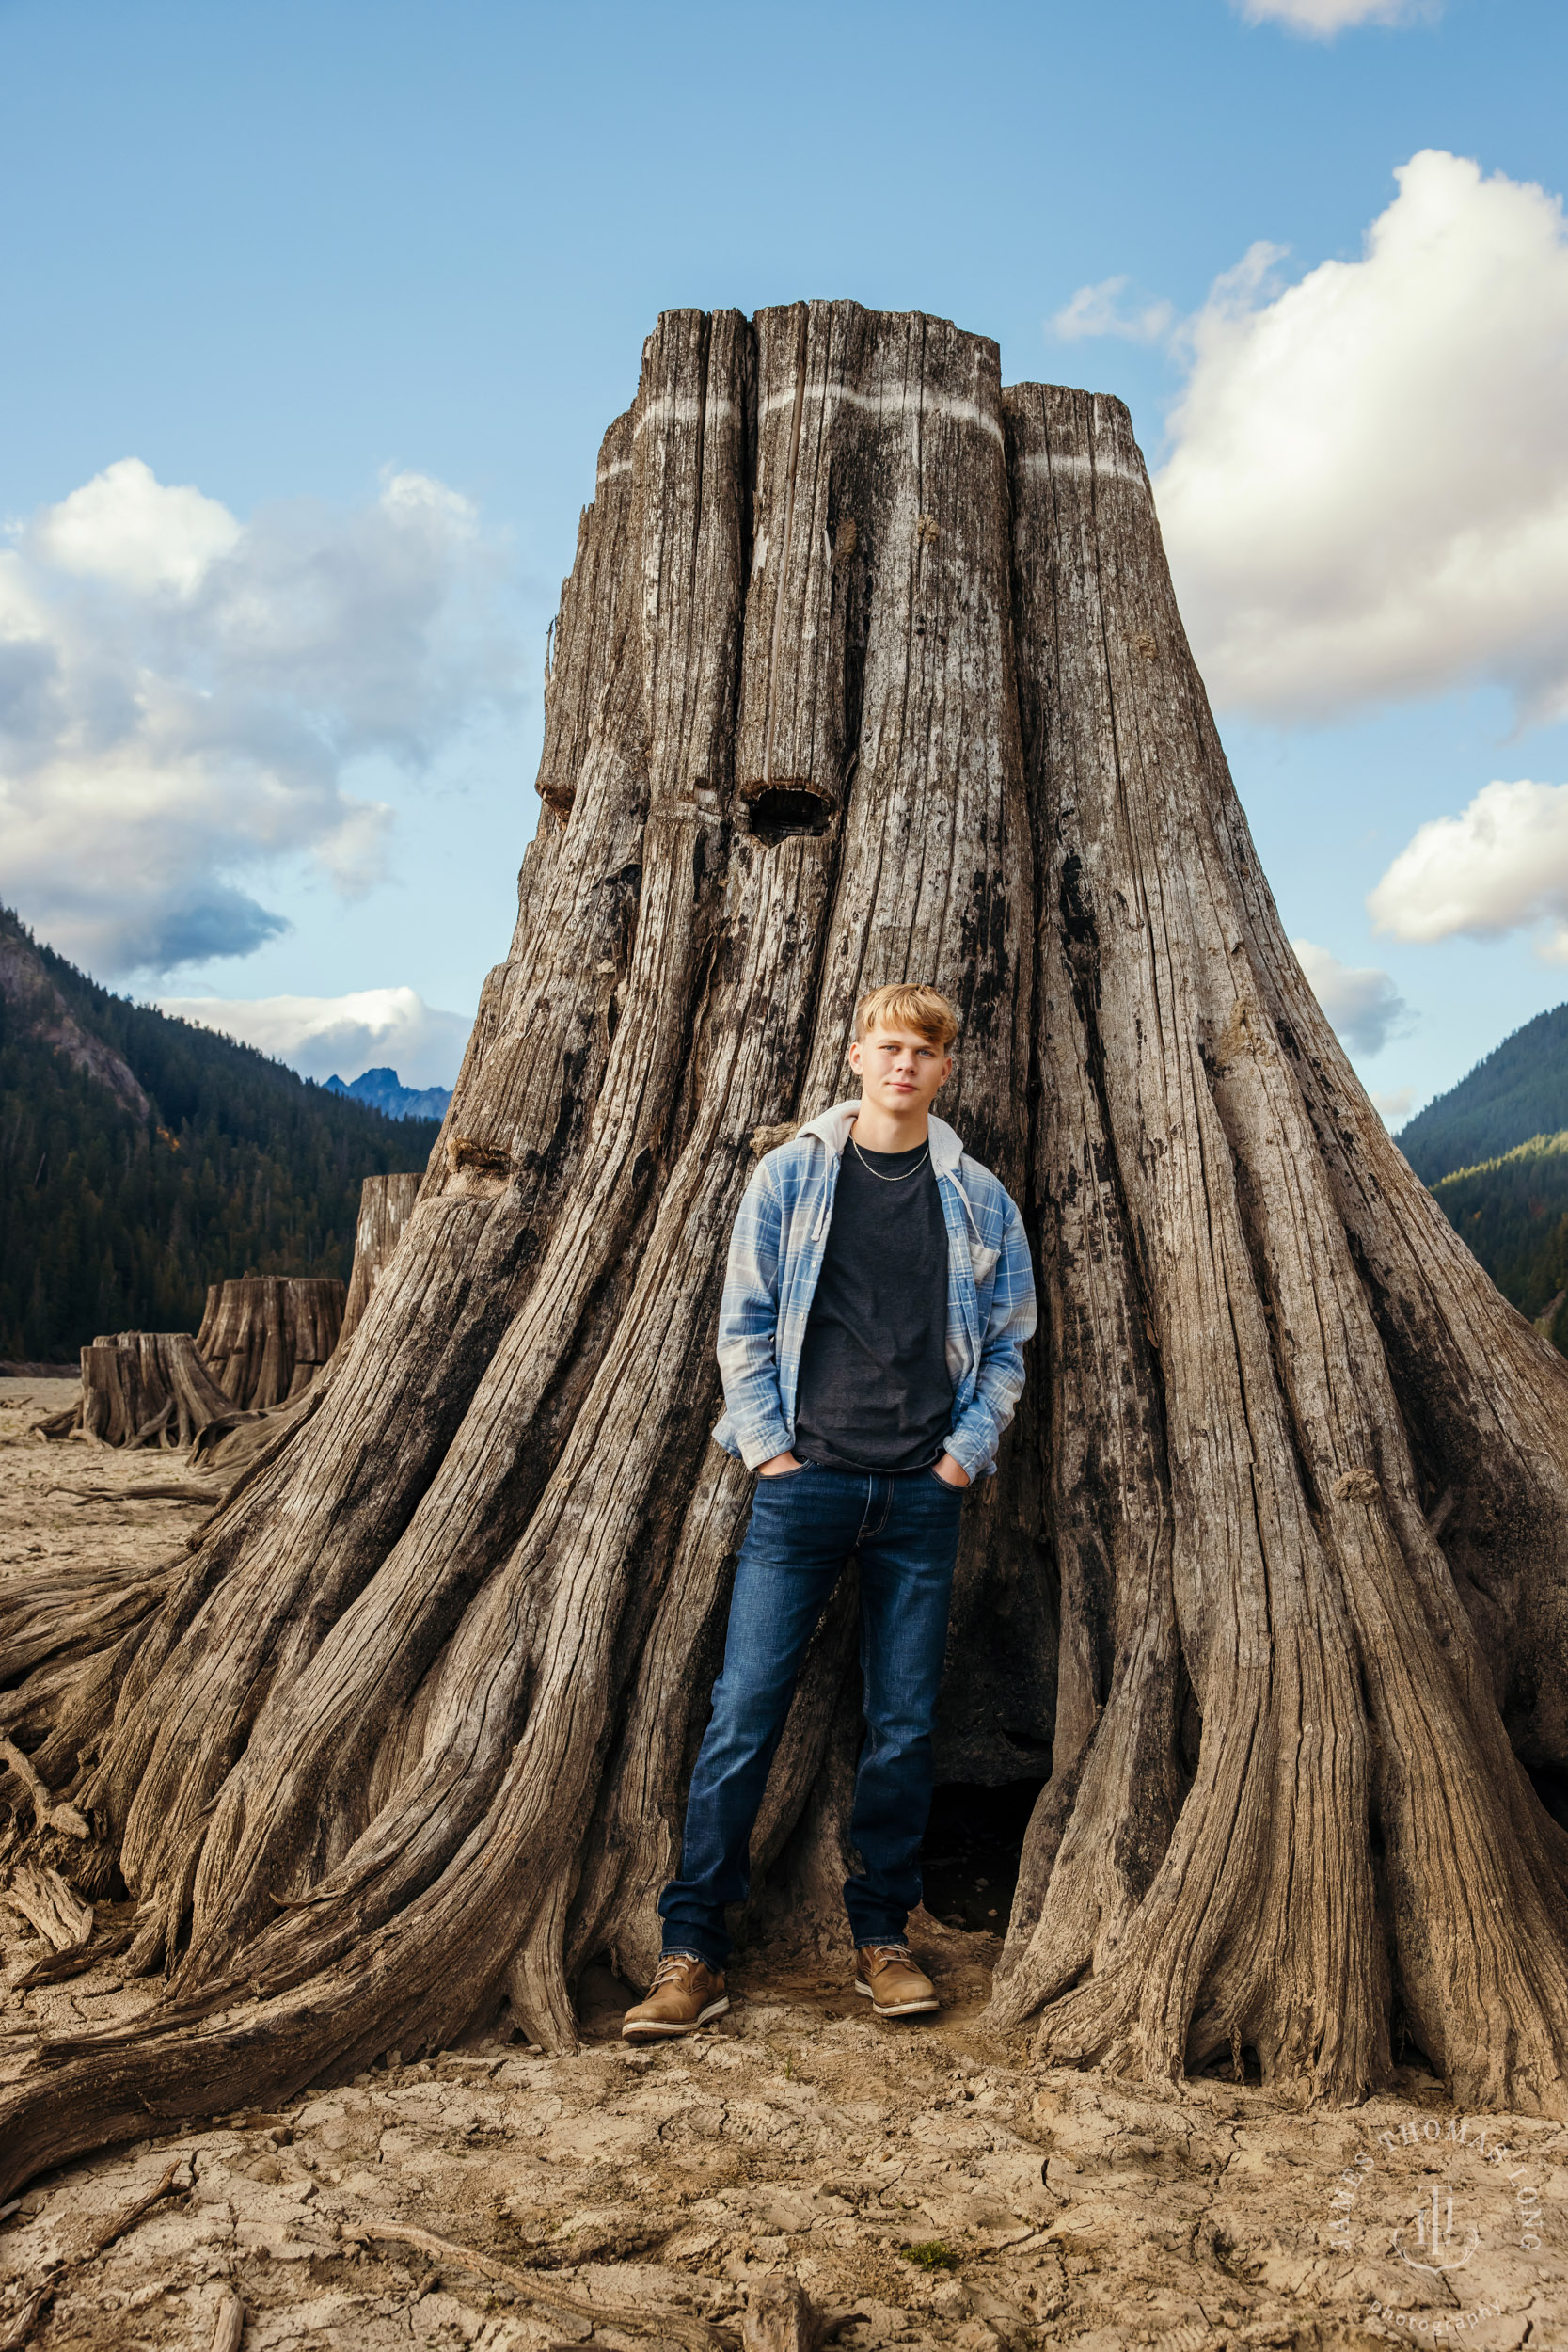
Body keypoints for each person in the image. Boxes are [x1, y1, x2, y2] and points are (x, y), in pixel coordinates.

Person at [622, 983, 1036, 2041]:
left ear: (945, 1069)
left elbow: (1005, 1345)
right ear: (855, 1056)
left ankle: (880, 1938)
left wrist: (957, 1462)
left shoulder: (979, 1197)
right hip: (800, 1488)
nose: (905, 1064)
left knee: (900, 1725)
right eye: (888, 1046)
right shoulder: (791, 1175)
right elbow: (744, 1322)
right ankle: (692, 1949)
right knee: (742, 1712)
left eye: (924, 1051)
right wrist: (770, 1453)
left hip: (918, 1495)